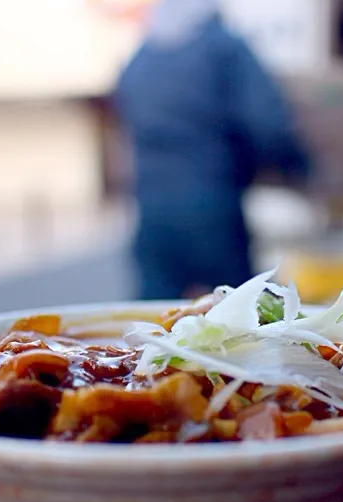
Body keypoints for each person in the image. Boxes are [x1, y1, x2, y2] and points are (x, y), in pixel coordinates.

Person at [114, 0, 311, 300]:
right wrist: (298, 166)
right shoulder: (223, 48)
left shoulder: (141, 59)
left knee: (152, 321)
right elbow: (266, 122)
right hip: (211, 205)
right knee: (237, 312)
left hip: (151, 211)